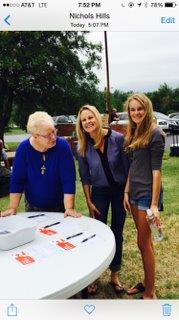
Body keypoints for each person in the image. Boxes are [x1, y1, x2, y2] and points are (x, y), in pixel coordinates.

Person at [76, 104, 129, 295]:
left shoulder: (117, 139)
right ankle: (94, 276)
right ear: (81, 125)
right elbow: (85, 176)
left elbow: (128, 168)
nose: (88, 122)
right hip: (99, 192)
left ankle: (115, 274)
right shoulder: (82, 145)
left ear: (97, 118)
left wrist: (126, 193)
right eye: (84, 120)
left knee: (117, 231)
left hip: (119, 192)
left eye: (90, 117)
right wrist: (89, 200)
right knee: (97, 233)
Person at [123, 93, 165, 299]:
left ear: (147, 109)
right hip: (134, 193)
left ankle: (150, 293)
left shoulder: (155, 133)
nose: (136, 112)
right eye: (132, 109)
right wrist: (126, 190)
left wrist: (155, 205)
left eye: (139, 108)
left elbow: (156, 171)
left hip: (148, 196)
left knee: (143, 243)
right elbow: (133, 166)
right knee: (142, 242)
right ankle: (147, 283)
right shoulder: (134, 131)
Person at [1, 111, 81, 218]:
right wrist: (12, 207)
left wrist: (69, 208)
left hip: (60, 206)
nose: (53, 137)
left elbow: (68, 180)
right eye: (48, 135)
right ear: (35, 136)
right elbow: (17, 180)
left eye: (54, 131)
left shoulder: (63, 147)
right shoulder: (23, 149)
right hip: (32, 207)